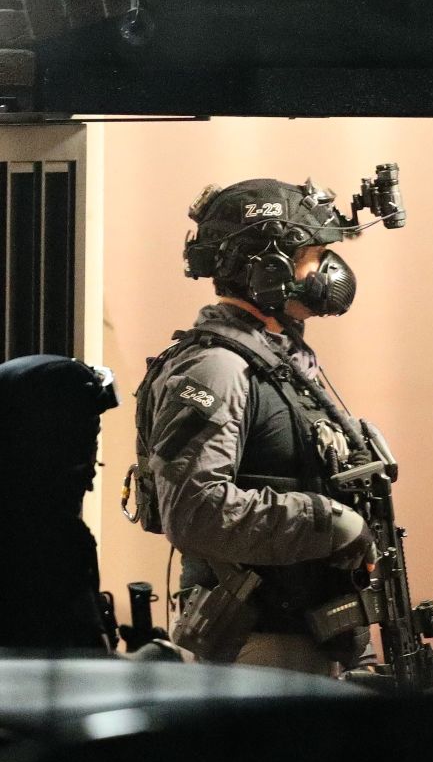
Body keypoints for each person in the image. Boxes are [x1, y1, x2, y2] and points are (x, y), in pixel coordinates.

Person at [139, 176, 393, 676]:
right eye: (315, 254)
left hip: (300, 639)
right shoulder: (217, 367)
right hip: (257, 648)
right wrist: (330, 522)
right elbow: (195, 512)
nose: (330, 270)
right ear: (270, 269)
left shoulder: (278, 360)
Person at [0, 354, 119, 652]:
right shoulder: (50, 543)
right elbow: (77, 673)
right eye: (89, 440)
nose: (92, 467)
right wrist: (154, 656)